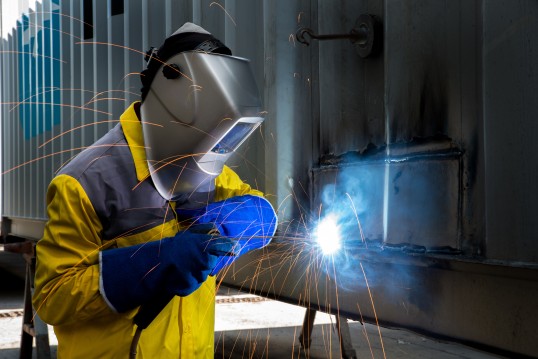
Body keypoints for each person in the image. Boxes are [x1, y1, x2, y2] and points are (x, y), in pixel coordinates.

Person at [32, 23, 277, 358]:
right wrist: (153, 265)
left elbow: (263, 211)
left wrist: (235, 222)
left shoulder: (207, 171)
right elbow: (52, 297)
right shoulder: (86, 182)